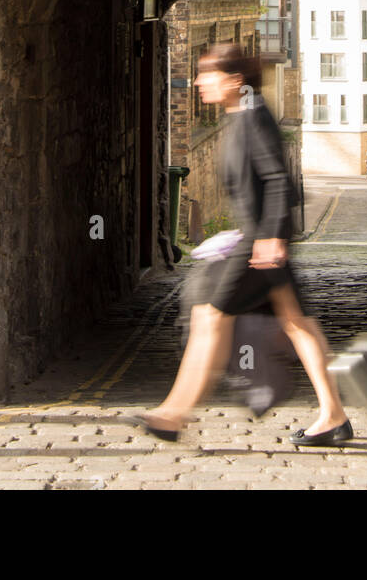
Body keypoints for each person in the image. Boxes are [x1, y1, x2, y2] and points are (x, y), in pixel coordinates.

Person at [127, 43, 352, 447]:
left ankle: (174, 414)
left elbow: (279, 180)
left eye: (205, 74)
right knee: (299, 326)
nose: (197, 81)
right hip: (260, 241)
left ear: (234, 80)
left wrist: (270, 237)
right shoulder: (240, 114)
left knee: (211, 318)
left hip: (260, 246)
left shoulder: (253, 116)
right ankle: (334, 415)